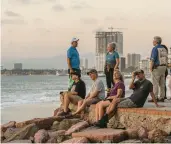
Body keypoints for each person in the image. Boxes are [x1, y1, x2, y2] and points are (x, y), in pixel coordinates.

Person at [95, 70, 164, 128]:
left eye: (139, 74)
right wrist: (133, 78)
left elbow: (152, 94)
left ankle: (103, 120)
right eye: (137, 74)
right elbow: (130, 87)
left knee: (114, 104)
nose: (138, 75)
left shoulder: (148, 83)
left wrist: (156, 104)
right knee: (115, 100)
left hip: (135, 102)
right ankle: (104, 120)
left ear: (143, 74)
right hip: (130, 98)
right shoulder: (137, 82)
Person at [149, 36, 168, 102]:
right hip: (164, 67)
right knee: (162, 83)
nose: (152, 42)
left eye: (153, 40)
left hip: (157, 67)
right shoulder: (164, 48)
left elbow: (153, 59)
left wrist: (150, 67)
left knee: (155, 83)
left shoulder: (155, 48)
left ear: (156, 42)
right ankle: (162, 97)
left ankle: (155, 97)